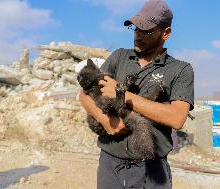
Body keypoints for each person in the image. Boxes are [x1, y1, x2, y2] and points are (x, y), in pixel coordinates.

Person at [79, 0, 194, 188]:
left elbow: (177, 117)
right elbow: (84, 95)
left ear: (165, 33)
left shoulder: (180, 70)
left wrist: (124, 96)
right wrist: (105, 120)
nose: (138, 34)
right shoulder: (119, 57)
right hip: (110, 165)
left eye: (146, 30)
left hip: (151, 170)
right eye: (135, 28)